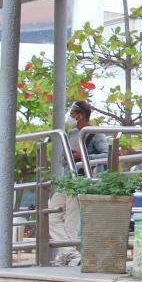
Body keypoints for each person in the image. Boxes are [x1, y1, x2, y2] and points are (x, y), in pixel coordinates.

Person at [49, 100, 110, 266]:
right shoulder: (71, 134)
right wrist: (68, 156)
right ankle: (69, 253)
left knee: (71, 220)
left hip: (82, 181)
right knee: (52, 215)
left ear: (80, 115)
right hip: (67, 180)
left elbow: (107, 155)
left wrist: (83, 156)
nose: (70, 117)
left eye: (72, 113)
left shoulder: (95, 133)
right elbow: (63, 159)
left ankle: (68, 256)